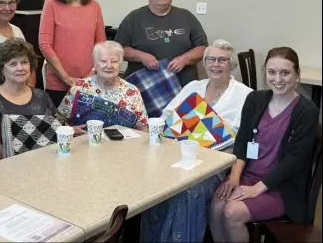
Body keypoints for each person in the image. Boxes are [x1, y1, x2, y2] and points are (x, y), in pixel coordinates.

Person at [141, 39, 253, 242]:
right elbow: (168, 115)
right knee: (154, 184)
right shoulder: (193, 87)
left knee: (186, 193)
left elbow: (246, 139)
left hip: (215, 163)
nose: (215, 64)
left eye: (222, 60)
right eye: (210, 59)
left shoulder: (245, 95)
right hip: (177, 155)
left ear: (231, 64)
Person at [209, 47, 319, 242]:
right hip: (247, 176)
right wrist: (234, 177)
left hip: (281, 187)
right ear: (265, 73)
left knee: (231, 212)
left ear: (297, 75)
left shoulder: (307, 111)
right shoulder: (255, 99)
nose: (278, 79)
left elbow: (293, 161)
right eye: (272, 72)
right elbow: (242, 140)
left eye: (285, 73)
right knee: (216, 205)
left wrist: (257, 189)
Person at [115, 0, 208, 87]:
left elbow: (203, 47)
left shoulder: (186, 16)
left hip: (183, 86)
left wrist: (184, 59)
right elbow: (118, 49)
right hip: (145, 88)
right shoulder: (133, 18)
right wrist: (142, 56)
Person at [39, 0, 106, 107]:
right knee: (62, 130)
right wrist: (67, 79)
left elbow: (101, 44)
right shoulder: (51, 4)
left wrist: (92, 74)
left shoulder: (94, 6)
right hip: (58, 85)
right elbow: (44, 45)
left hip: (89, 83)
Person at [0, 38, 55, 159]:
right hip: (9, 167)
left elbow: (52, 134)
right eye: (13, 64)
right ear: (2, 69)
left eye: (24, 62)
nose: (20, 68)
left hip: (45, 162)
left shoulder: (42, 96)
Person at [58, 41, 148, 132]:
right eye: (103, 61)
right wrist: (71, 130)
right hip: (83, 143)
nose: (109, 66)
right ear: (95, 63)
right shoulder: (80, 87)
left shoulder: (132, 91)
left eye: (114, 61)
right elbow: (58, 122)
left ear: (120, 64)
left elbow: (143, 129)